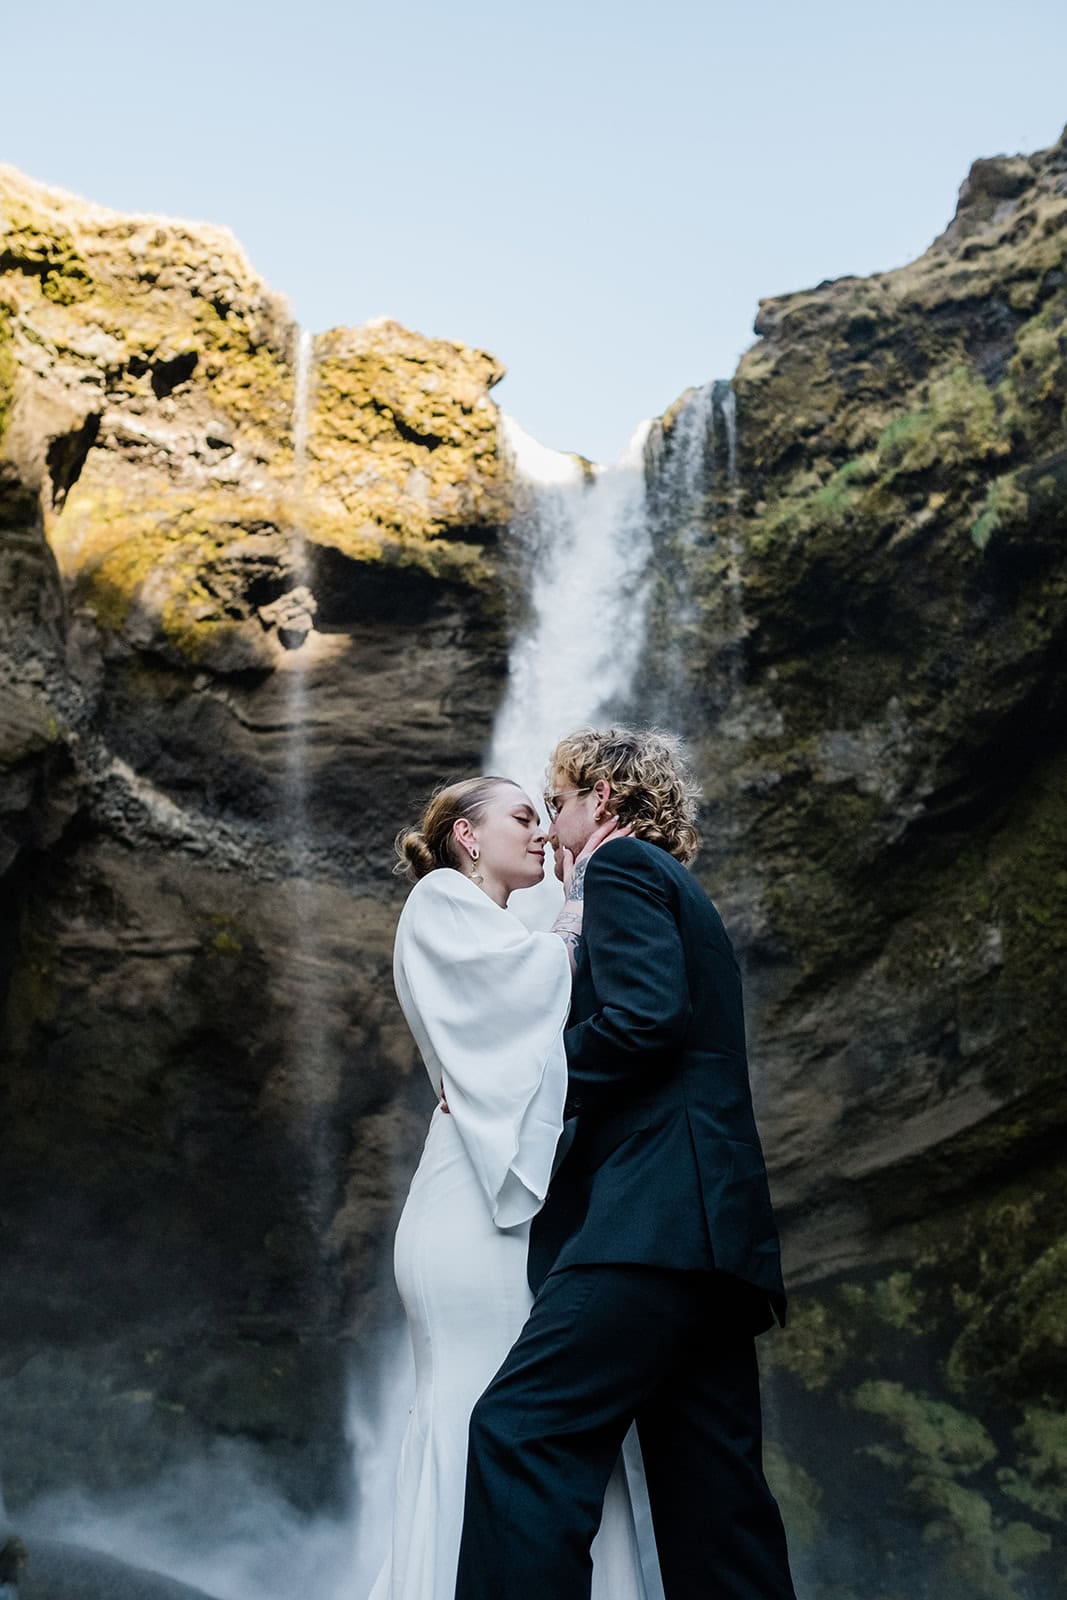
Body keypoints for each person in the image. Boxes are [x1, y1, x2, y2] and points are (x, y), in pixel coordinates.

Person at [455, 728, 797, 1600]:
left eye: (557, 801)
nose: (547, 824)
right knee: (714, 1500)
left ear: (601, 799)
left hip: (649, 1218)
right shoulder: (683, 891)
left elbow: (645, 1019)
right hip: (713, 1237)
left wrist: (519, 1088)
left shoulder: (621, 868)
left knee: (520, 1432)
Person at [369, 776, 646, 1600]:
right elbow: (523, 993)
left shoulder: (496, 922)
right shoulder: (440, 900)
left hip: (504, 1200)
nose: (541, 833)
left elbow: (532, 1027)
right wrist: (583, 891)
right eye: (522, 817)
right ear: (465, 835)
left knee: (525, 1407)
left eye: (544, 817)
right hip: (468, 1208)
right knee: (484, 1403)